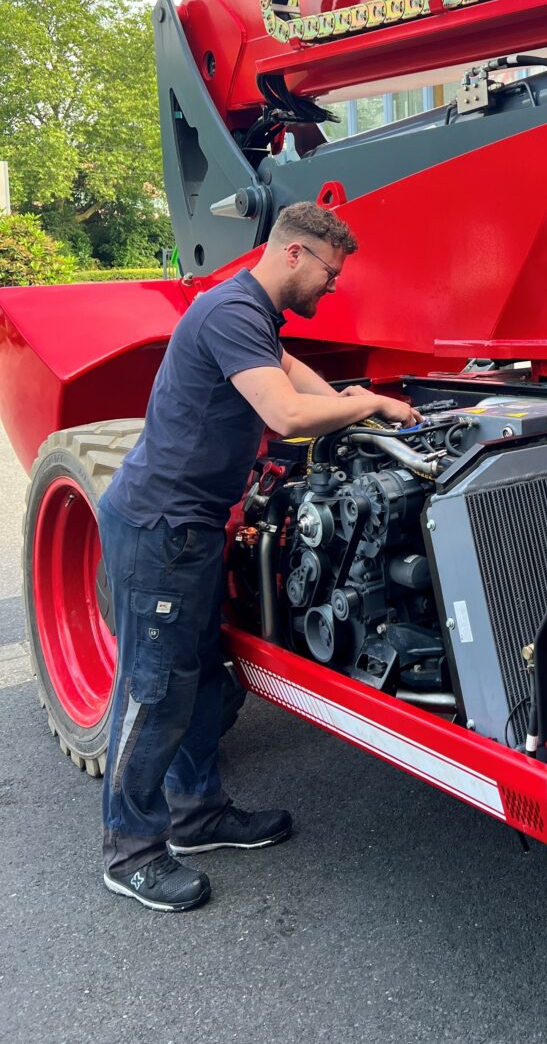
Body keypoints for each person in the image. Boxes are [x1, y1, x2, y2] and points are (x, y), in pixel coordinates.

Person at [97, 201, 416, 912]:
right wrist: (365, 405)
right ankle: (131, 849)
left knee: (202, 676)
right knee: (154, 690)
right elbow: (286, 413)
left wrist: (356, 398)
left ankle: (198, 813)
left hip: (193, 525)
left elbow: (289, 368)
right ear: (294, 255)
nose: (332, 286)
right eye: (330, 273)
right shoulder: (230, 309)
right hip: (161, 526)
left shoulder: (250, 310)